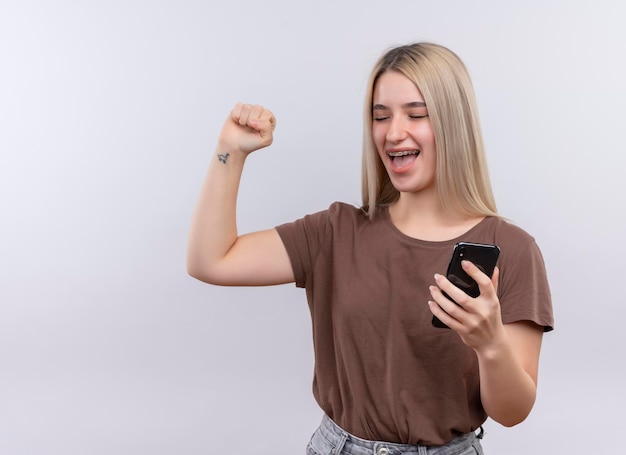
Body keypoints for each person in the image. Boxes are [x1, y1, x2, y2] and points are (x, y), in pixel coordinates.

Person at [187, 42, 554, 454]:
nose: (393, 132)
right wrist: (230, 150)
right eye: (381, 117)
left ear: (454, 123)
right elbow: (210, 260)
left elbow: (512, 412)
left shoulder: (512, 249)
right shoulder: (336, 232)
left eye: (416, 114)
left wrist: (490, 345)